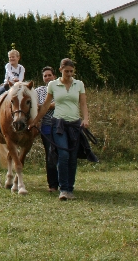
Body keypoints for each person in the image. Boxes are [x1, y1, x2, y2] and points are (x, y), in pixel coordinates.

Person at [33, 58, 90, 201]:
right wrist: (36, 120)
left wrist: (86, 119)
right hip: (58, 124)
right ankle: (63, 189)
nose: (69, 74)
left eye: (71, 71)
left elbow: (83, 103)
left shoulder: (79, 84)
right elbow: (46, 106)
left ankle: (70, 188)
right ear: (60, 70)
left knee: (72, 157)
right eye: (66, 71)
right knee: (63, 154)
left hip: (74, 125)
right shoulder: (53, 85)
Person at [34, 67, 58, 192]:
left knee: (63, 155)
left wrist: (43, 106)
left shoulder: (60, 88)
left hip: (61, 125)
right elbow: (33, 105)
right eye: (45, 76)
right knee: (50, 155)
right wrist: (49, 106)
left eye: (49, 75)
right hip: (46, 127)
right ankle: (53, 185)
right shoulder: (38, 91)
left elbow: (59, 103)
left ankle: (64, 182)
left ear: (54, 76)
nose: (47, 77)